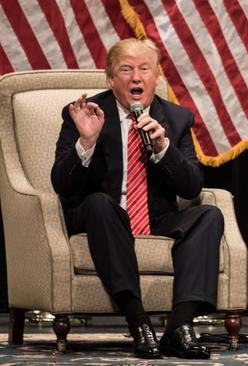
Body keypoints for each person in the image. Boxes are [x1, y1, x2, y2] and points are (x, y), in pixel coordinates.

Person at [51, 38, 223, 360]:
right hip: (104, 216)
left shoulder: (176, 118)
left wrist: (163, 149)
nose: (135, 77)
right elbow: (62, 184)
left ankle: (180, 328)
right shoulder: (86, 114)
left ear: (156, 76)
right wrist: (87, 142)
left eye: (144, 69)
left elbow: (191, 188)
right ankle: (138, 321)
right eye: (126, 69)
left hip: (155, 218)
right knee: (101, 203)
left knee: (209, 215)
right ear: (110, 78)